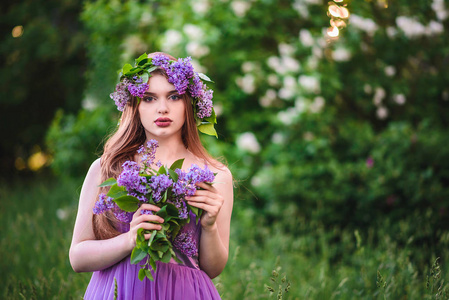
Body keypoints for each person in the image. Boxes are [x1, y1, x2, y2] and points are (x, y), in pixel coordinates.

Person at [69, 52, 234, 300]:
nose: (162, 108)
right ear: (135, 106)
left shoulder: (214, 175)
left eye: (174, 96)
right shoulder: (108, 169)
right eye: (149, 98)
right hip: (119, 292)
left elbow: (213, 269)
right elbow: (78, 258)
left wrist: (209, 227)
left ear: (188, 102)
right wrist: (128, 241)